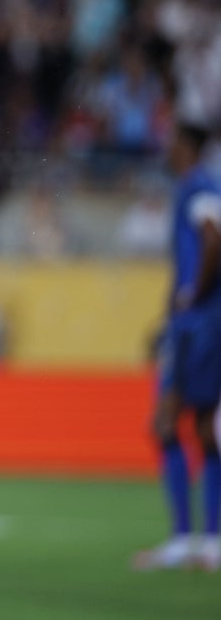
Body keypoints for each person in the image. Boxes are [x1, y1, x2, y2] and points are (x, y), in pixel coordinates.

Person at [134, 122, 221, 573]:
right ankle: (211, 542)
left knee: (166, 422)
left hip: (198, 325)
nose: (167, 149)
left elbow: (213, 236)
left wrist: (191, 295)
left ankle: (186, 538)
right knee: (205, 428)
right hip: (201, 323)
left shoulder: (198, 186)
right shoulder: (204, 185)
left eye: (172, 141)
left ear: (186, 145)